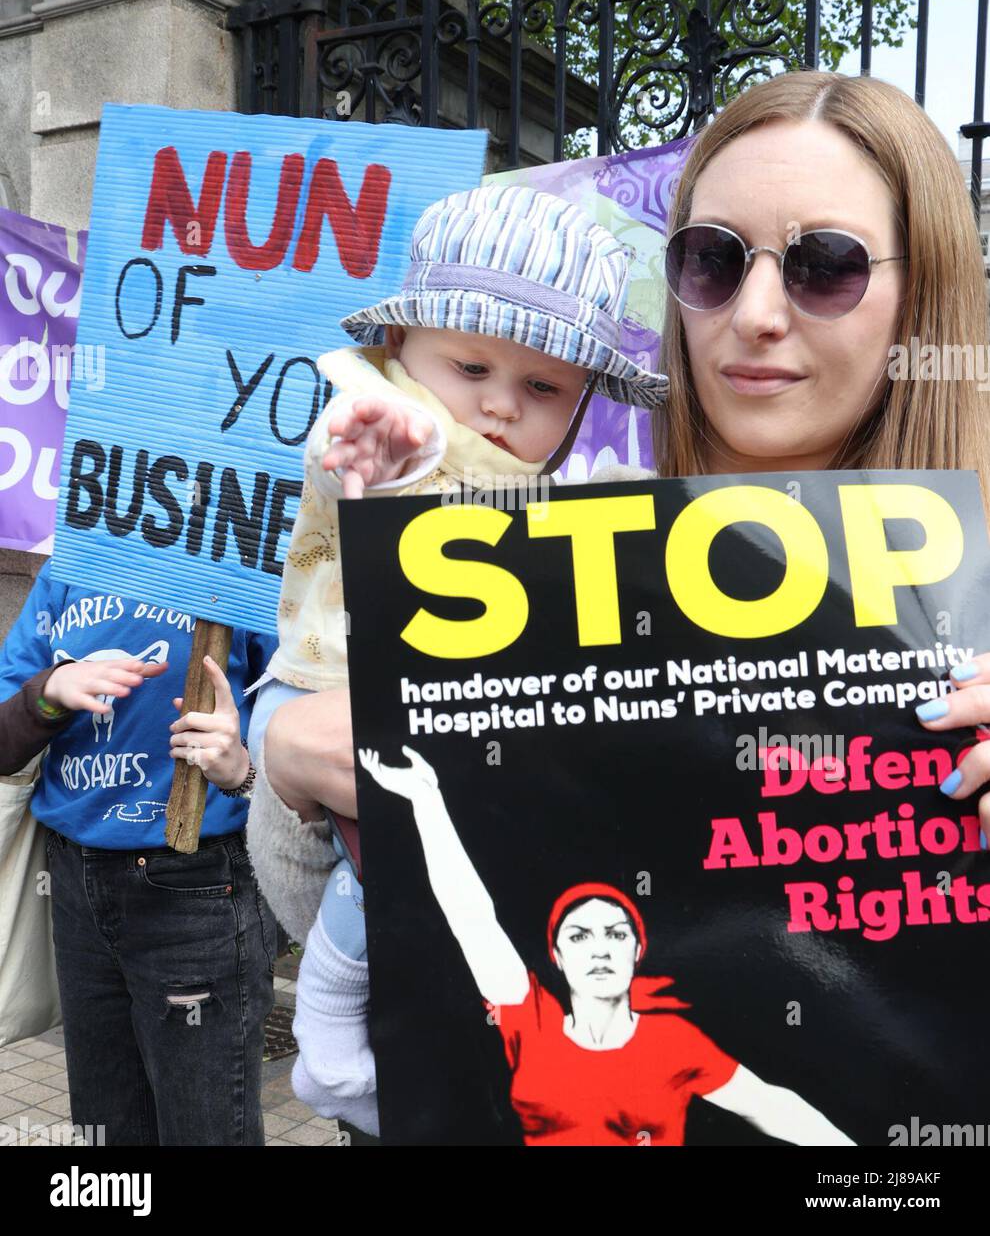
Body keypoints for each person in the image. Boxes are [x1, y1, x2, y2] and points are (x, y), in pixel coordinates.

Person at [247, 68, 990, 1133]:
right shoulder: (566, 545)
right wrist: (282, 747)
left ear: (925, 294)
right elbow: (383, 905)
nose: (758, 314)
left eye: (826, 266)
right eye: (713, 261)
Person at [247, 183, 668, 1135]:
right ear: (400, 349)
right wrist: (382, 451)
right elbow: (357, 450)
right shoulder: (389, 420)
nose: (498, 407)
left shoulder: (552, 487)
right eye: (471, 364)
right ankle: (327, 1019)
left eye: (544, 389)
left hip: (463, 731)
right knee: (375, 878)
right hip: (338, 688)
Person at [359, 743, 854, 1146]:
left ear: (637, 952)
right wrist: (427, 801)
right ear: (557, 955)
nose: (599, 948)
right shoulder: (531, 1024)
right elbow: (472, 919)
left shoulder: (672, 1042)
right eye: (579, 935)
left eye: (616, 934)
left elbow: (769, 1104)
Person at [0, 558, 278, 1146]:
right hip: (73, 881)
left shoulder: (249, 563)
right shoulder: (70, 564)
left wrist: (244, 770)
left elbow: (312, 728)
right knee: (107, 1135)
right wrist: (48, 694)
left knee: (207, 1131)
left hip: (199, 886)